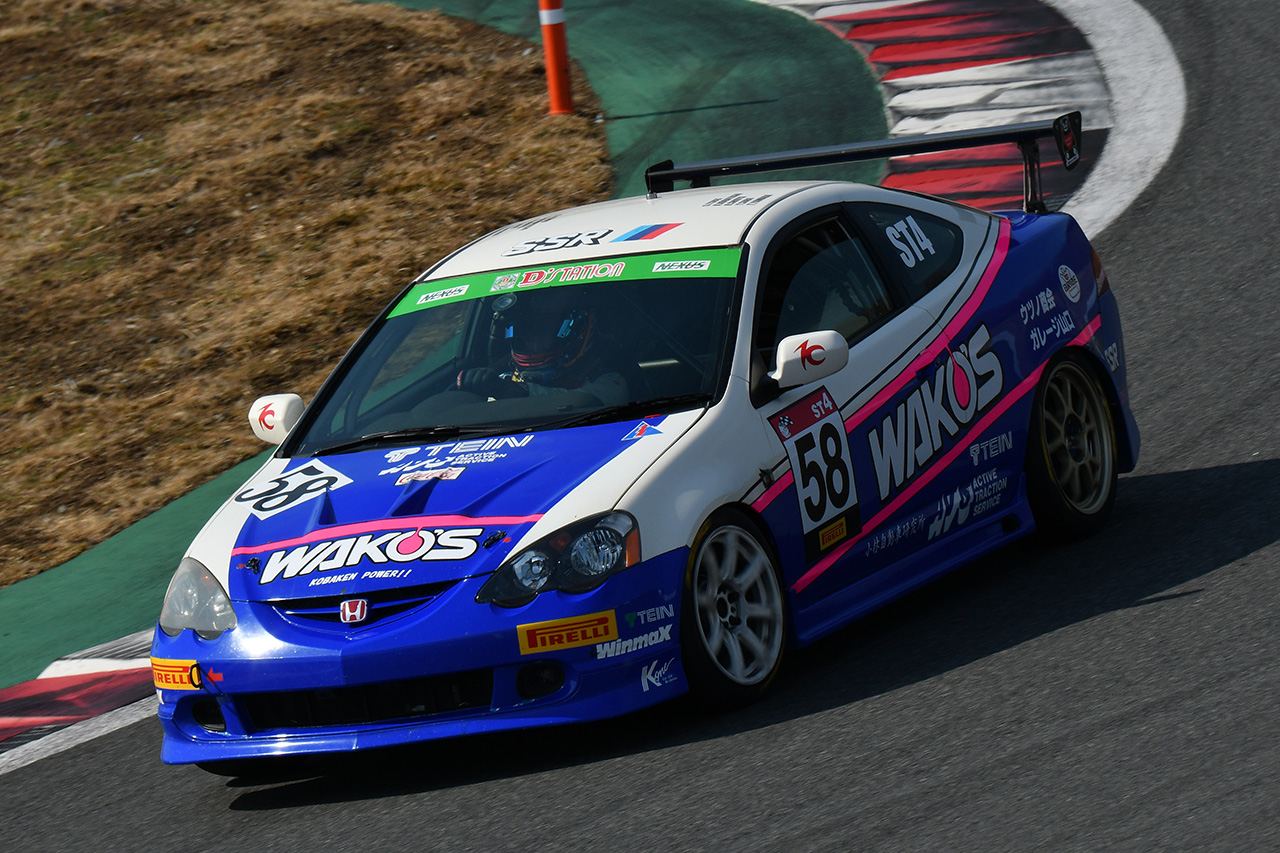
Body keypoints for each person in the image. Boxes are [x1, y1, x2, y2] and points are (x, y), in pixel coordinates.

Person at [456, 289, 630, 405]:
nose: (533, 342)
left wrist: (515, 392)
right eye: (526, 331)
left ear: (577, 330)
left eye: (544, 332)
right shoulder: (502, 379)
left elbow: (583, 402)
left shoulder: (609, 380)